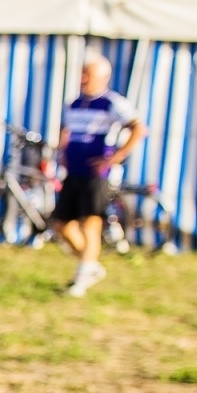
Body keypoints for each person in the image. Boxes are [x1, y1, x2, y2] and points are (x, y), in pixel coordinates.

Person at [55, 53, 146, 298]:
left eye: (89, 74)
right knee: (61, 224)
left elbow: (138, 128)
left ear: (103, 77)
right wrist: (62, 151)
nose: (83, 79)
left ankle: (82, 279)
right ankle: (90, 264)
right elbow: (66, 131)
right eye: (82, 74)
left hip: (96, 175)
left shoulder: (112, 103)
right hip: (73, 172)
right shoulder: (74, 103)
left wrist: (115, 157)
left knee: (90, 224)